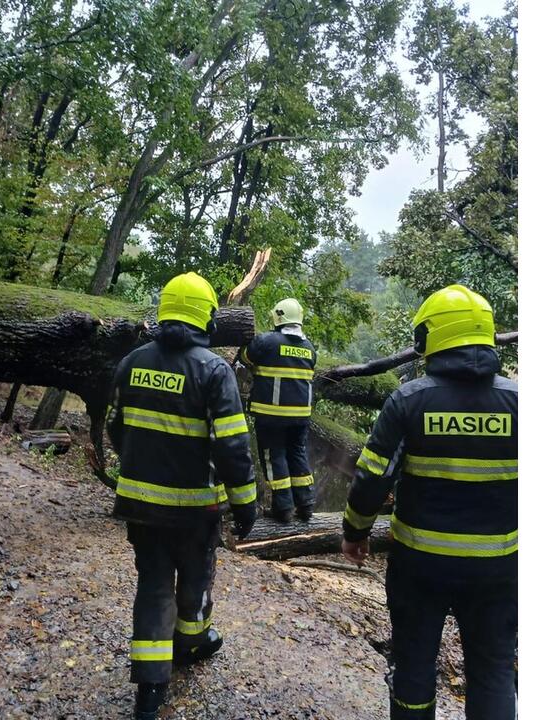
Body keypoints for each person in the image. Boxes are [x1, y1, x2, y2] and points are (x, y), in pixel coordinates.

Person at [340, 285, 517, 720]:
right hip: (499, 567)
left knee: (415, 664)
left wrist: (355, 532)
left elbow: (372, 478)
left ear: (431, 338)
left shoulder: (410, 400)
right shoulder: (521, 403)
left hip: (421, 565)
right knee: (494, 669)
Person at [107, 272, 257, 720]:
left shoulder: (132, 362)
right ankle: (191, 643)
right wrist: (245, 503)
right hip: (195, 509)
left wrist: (141, 467)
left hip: (140, 504)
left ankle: (149, 693)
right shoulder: (215, 370)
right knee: (195, 576)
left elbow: (118, 429)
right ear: (207, 318)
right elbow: (232, 446)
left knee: (153, 583)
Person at [239, 297, 318, 523]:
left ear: (278, 317)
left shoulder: (267, 342)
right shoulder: (310, 349)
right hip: (300, 417)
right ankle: (305, 505)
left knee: (274, 457)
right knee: (297, 453)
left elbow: (245, 357)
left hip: (271, 416)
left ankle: (282, 509)